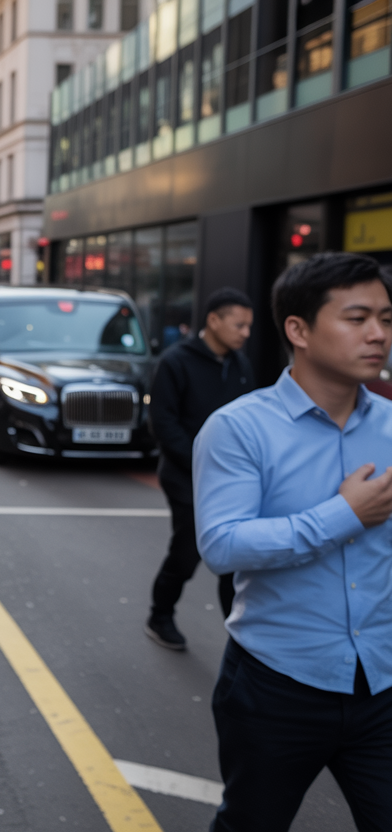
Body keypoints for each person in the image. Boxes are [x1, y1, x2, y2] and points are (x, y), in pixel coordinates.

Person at [194, 252, 392, 831]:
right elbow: (223, 545)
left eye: (386, 317)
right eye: (357, 318)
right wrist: (343, 514)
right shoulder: (240, 428)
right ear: (298, 330)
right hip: (275, 684)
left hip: (381, 683)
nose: (378, 334)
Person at [144, 288, 255, 650]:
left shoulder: (240, 364)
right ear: (213, 321)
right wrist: (204, 461)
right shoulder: (175, 362)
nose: (245, 333)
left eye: (248, 326)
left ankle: (238, 633)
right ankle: (159, 616)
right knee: (187, 551)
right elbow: (163, 423)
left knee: (235, 558)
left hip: (232, 481)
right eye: (239, 325)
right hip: (185, 476)